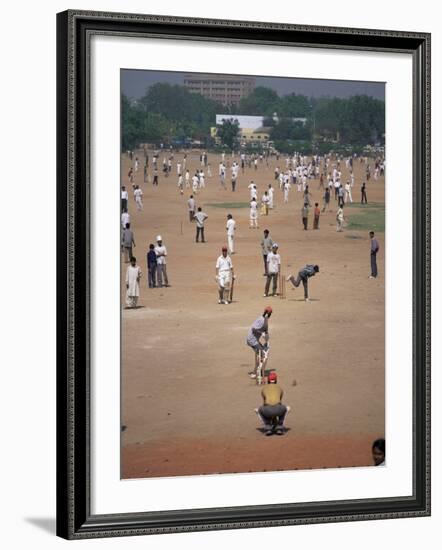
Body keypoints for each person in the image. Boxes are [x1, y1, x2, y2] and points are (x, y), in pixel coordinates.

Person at [255, 371, 290, 435]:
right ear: (276, 380)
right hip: (279, 409)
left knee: (259, 410)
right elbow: (279, 402)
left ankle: (268, 426)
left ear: (268, 380)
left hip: (267, 410)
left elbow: (265, 403)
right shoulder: (280, 388)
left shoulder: (264, 388)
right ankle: (279, 426)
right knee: (286, 408)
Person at [246, 306, 272, 379]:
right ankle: (255, 373)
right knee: (262, 354)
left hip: (254, 339)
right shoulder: (261, 320)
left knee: (261, 353)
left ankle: (257, 371)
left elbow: (265, 330)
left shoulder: (265, 320)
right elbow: (254, 329)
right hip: (252, 339)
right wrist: (262, 333)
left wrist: (266, 337)